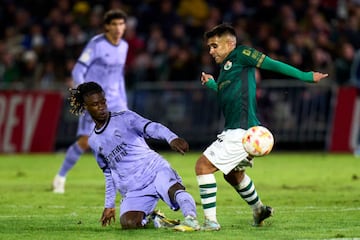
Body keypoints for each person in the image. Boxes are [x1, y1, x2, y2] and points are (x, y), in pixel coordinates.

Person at [196, 23, 329, 231]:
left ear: (230, 44)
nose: (211, 51)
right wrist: (213, 84)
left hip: (240, 131)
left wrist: (305, 76)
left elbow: (272, 64)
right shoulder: (225, 69)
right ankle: (259, 209)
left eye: (214, 46)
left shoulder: (241, 54)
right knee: (233, 175)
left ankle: (210, 222)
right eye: (209, 47)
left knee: (203, 166)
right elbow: (226, 94)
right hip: (241, 131)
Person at [67, 81, 201, 231]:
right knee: (129, 224)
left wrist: (171, 138)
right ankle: (156, 220)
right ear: (86, 107)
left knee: (174, 190)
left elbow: (152, 127)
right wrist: (109, 205)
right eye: (95, 104)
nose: (101, 107)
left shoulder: (125, 118)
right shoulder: (94, 141)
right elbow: (109, 173)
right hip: (134, 188)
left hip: (154, 170)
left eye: (103, 102)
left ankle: (191, 219)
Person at [53, 9, 129, 193]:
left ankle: (126, 181)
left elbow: (119, 77)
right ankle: (60, 177)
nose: (118, 28)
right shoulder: (96, 44)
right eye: (114, 24)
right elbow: (78, 71)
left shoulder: (124, 46)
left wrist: (124, 102)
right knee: (85, 142)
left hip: (116, 100)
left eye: (121, 24)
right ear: (107, 26)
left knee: (126, 136)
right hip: (95, 100)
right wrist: (84, 94)